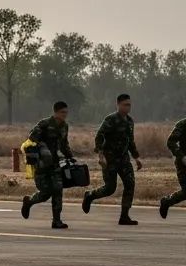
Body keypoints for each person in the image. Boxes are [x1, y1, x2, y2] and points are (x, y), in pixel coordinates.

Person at [83, 94, 143, 225]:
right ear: (118, 105)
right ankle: (90, 196)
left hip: (124, 159)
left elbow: (130, 141)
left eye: (129, 105)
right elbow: (99, 136)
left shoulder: (129, 121)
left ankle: (124, 216)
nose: (128, 107)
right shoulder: (110, 119)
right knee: (110, 188)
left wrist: (136, 157)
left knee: (130, 184)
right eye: (125, 105)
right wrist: (100, 155)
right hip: (109, 159)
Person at [21, 101, 75, 229]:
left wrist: (70, 157)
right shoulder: (44, 124)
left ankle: (57, 220)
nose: (65, 115)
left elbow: (64, 144)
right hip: (42, 164)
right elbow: (32, 139)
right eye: (62, 112)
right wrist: (42, 147)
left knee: (58, 190)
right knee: (45, 192)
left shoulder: (64, 126)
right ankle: (29, 202)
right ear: (55, 112)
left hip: (56, 164)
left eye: (66, 112)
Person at [159, 117, 186, 219]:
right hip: (183, 164)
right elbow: (171, 142)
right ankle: (167, 201)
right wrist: (182, 156)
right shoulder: (183, 124)